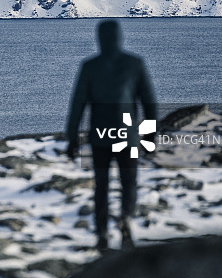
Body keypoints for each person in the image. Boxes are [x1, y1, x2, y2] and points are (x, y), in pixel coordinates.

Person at [66, 20, 156, 251]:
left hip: (100, 138)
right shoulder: (134, 64)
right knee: (129, 183)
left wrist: (72, 138)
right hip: (128, 137)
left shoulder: (90, 66)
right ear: (120, 37)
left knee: (102, 186)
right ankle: (126, 218)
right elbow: (149, 103)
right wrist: (150, 136)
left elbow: (78, 104)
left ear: (100, 38)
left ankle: (102, 233)